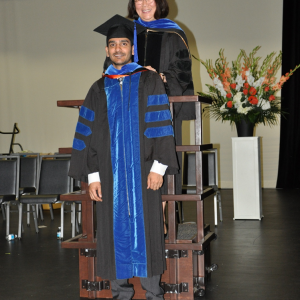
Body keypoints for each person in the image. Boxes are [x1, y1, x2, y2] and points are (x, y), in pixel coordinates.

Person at [68, 15, 178, 300]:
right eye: (112, 44)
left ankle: (154, 293)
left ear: (132, 48)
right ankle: (120, 294)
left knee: (150, 232)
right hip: (109, 176)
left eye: (123, 44)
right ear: (107, 50)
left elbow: (161, 124)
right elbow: (87, 134)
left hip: (145, 174)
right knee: (112, 232)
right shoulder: (97, 88)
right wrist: (92, 175)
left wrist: (159, 167)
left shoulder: (149, 80)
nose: (118, 49)